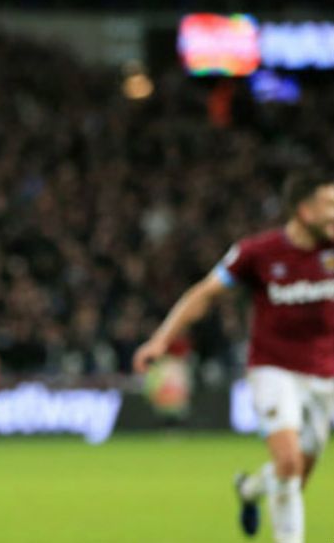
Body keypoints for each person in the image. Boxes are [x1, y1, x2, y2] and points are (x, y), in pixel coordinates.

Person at [133, 169, 334, 543]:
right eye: (330, 205)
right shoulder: (257, 253)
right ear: (305, 211)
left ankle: (249, 489)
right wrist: (161, 340)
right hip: (273, 369)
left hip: (325, 376)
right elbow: (205, 293)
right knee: (288, 463)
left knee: (295, 474)